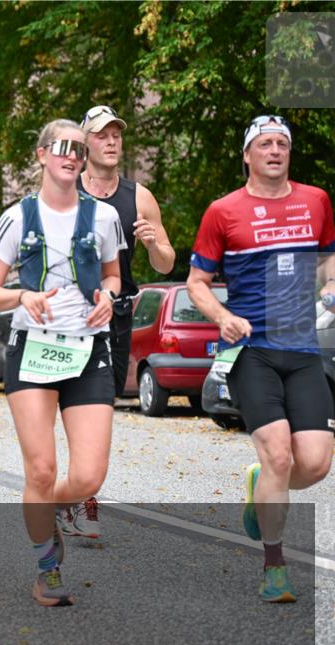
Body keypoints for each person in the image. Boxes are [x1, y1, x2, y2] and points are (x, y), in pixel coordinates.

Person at [187, 115, 334, 603]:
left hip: (303, 347)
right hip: (251, 349)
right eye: (265, 144)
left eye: (282, 144)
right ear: (247, 155)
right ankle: (274, 565)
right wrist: (222, 316)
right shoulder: (222, 211)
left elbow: (328, 258)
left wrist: (331, 284)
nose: (275, 151)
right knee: (278, 453)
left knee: (313, 464)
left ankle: (262, 484)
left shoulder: (316, 201)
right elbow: (196, 285)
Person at [0, 120, 123, 606]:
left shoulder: (103, 217)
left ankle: (49, 510)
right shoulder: (18, 217)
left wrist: (108, 296)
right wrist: (23, 295)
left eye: (79, 150)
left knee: (88, 477)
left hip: (88, 350)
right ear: (42, 155)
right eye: (61, 148)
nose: (71, 156)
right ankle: (47, 565)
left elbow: (113, 275)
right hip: (34, 348)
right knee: (40, 470)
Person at [64, 105, 176, 540]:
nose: (111, 142)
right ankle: (78, 492)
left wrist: (151, 244)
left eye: (116, 135)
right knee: (76, 405)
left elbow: (166, 264)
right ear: (86, 144)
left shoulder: (139, 196)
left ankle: (83, 491)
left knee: (100, 409)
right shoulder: (65, 190)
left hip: (118, 314)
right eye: (101, 135)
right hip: (71, 312)